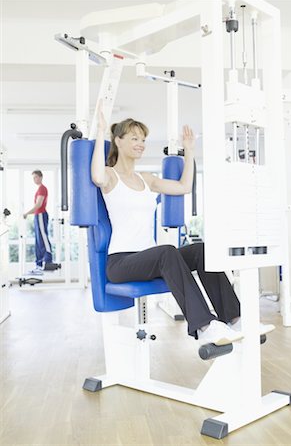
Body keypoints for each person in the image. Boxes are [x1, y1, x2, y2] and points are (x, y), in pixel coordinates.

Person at [91, 104, 274, 346]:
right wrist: (99, 134)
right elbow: (96, 177)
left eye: (143, 139)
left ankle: (234, 318)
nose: (140, 143)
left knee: (202, 250)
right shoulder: (110, 175)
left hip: (149, 258)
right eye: (134, 138)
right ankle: (204, 326)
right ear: (118, 141)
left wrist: (189, 151)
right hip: (121, 262)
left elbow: (184, 187)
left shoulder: (146, 180)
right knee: (166, 252)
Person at [23, 170, 53, 274]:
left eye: (35, 177)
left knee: (43, 237)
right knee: (38, 240)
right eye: (33, 178)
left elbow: (38, 205)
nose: (34, 179)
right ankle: (39, 264)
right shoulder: (39, 189)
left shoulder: (42, 189)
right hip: (37, 215)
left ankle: (48, 260)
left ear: (40, 177)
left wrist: (26, 213)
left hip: (41, 214)